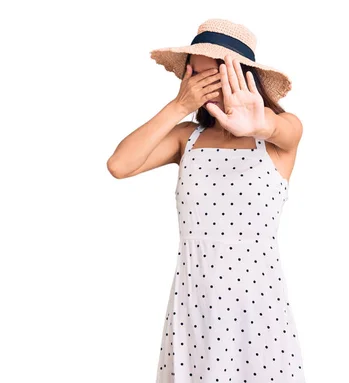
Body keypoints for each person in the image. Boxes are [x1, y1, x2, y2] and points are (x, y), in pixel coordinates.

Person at [106, 18, 306, 383]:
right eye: (194, 76)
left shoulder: (278, 138)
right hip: (194, 308)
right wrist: (178, 105)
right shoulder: (188, 139)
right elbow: (120, 165)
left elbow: (283, 129)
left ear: (243, 76)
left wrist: (256, 125)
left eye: (212, 76)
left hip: (257, 314)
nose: (202, 86)